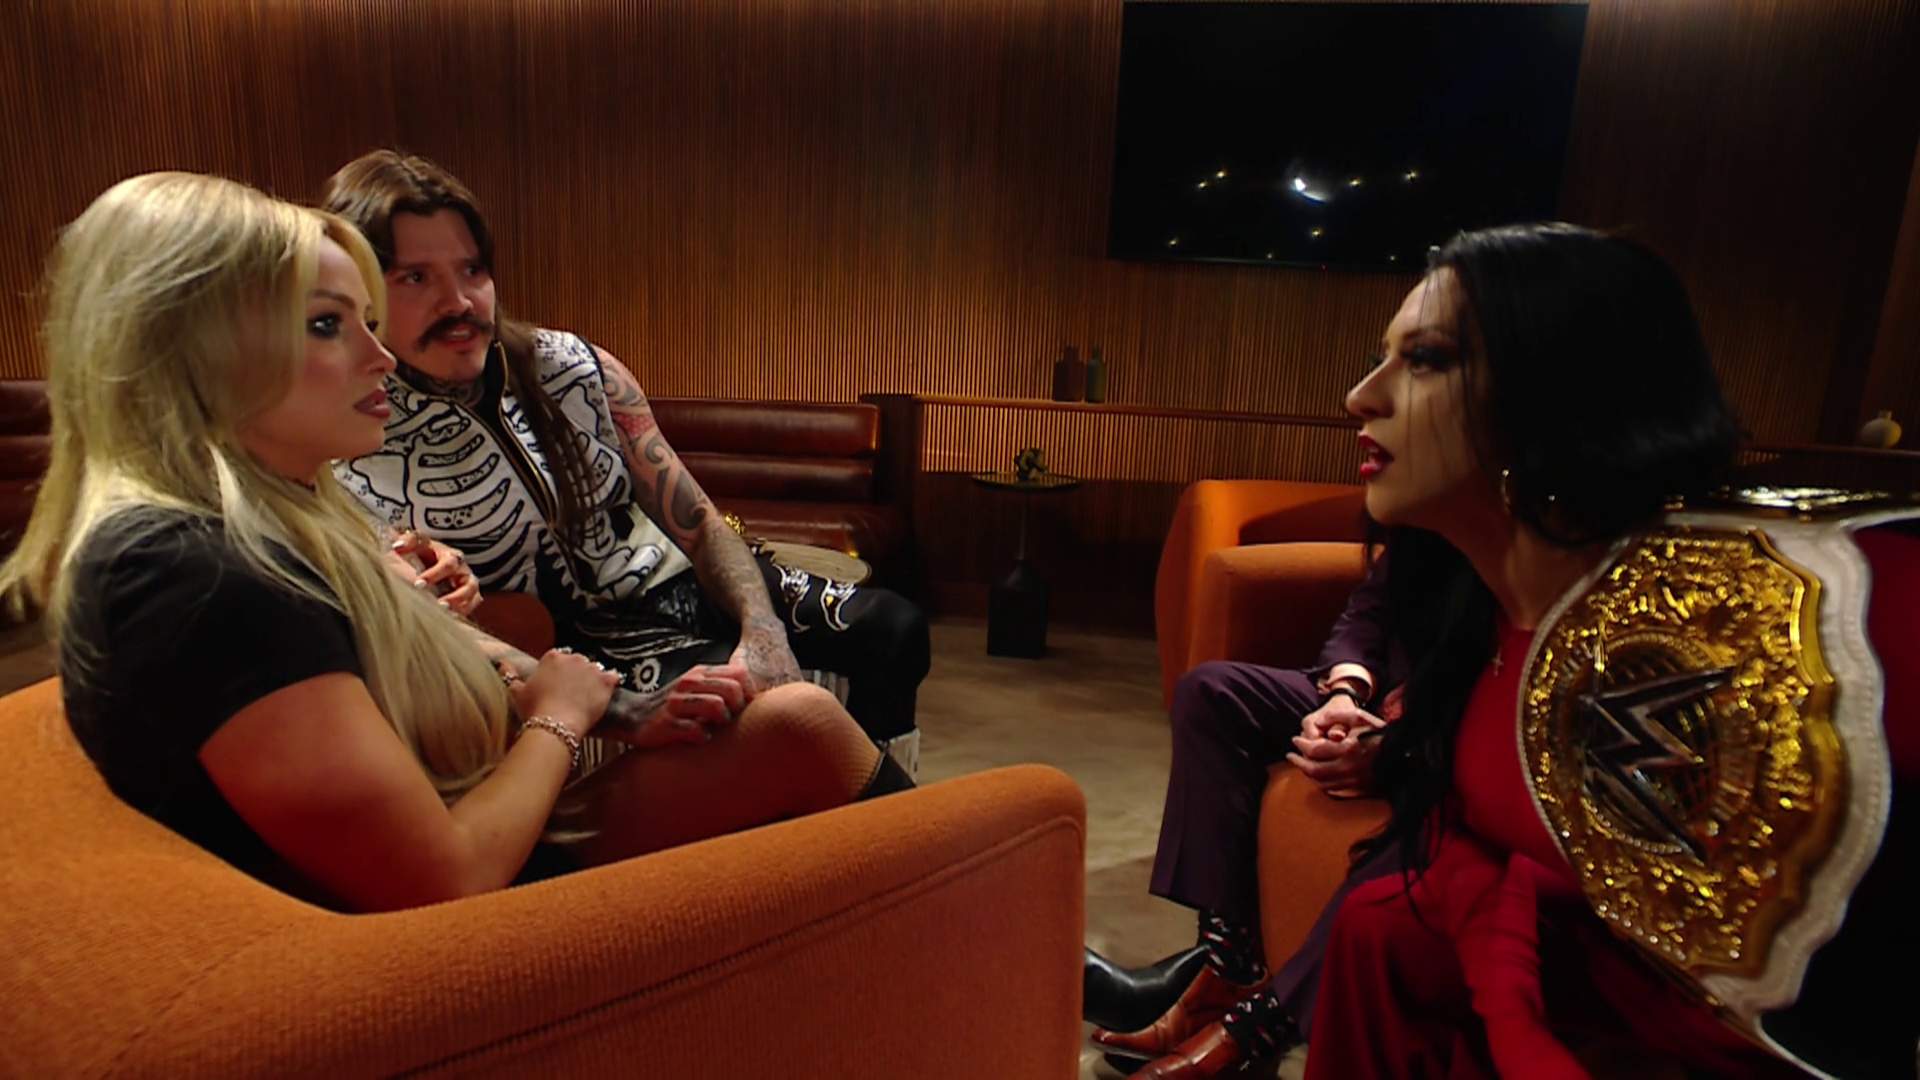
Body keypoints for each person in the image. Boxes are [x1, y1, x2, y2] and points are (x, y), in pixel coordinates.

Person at [0, 172, 911, 913]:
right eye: (328, 324)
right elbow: (445, 879)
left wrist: (630, 703)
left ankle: (908, 904)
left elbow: (693, 521)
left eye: (471, 270)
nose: (380, 357)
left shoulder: (275, 514)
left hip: (502, 786)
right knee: (798, 730)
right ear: (191, 347)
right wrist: (564, 714)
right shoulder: (194, 572)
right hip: (418, 933)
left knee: (839, 680)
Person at [1298, 222, 1917, 1079]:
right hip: (1570, 1026)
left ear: (1560, 388)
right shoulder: (1472, 606)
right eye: (1383, 358)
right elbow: (1479, 854)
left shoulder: (1826, 600)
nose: (1361, 397)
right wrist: (1514, 1018)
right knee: (1381, 927)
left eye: (1427, 359)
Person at [319, 150, 929, 763]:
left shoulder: (575, 369)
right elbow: (424, 631)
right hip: (575, 646)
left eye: (472, 269)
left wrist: (763, 627)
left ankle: (885, 817)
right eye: (416, 278)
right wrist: (629, 711)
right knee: (748, 708)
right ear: (359, 291)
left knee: (893, 628)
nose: (459, 302)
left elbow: (700, 522)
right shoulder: (349, 436)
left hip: (676, 581)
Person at [1085, 552, 1405, 1077]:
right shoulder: (1422, 524)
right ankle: (1227, 968)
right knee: (1210, 693)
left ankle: (1251, 1030)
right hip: (1375, 694)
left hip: (1443, 727)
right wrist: (1346, 694)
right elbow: (1370, 610)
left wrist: (1396, 745)